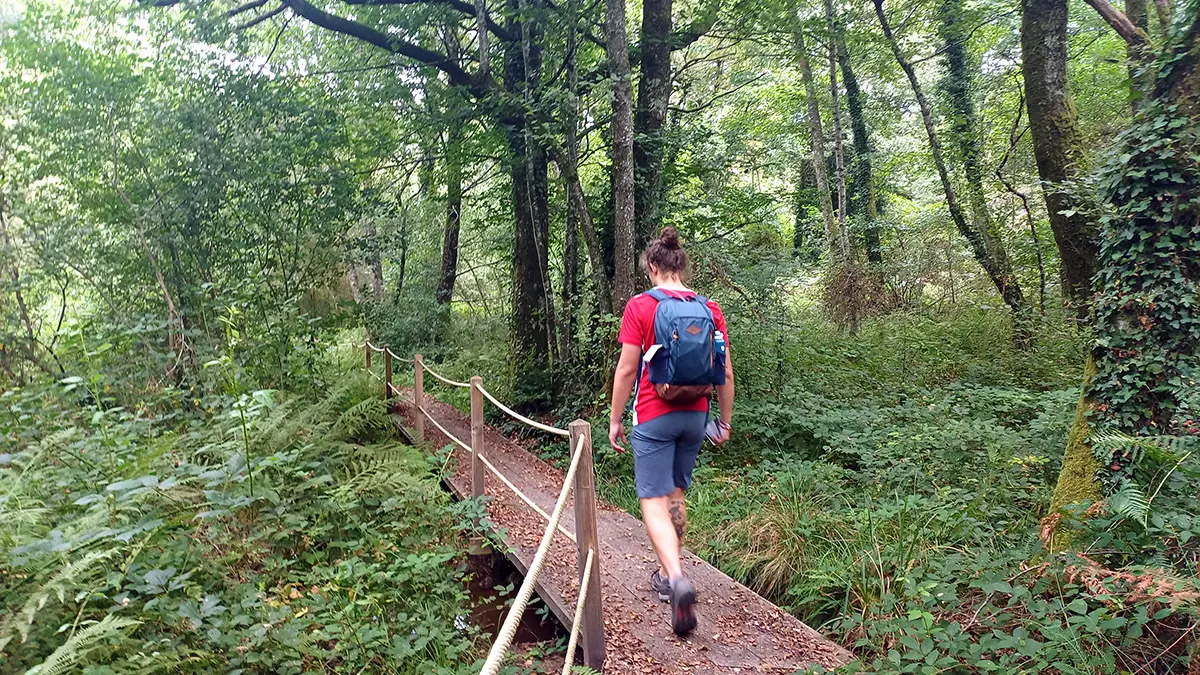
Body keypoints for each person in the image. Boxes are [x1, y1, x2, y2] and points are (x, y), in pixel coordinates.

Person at [608, 226, 735, 637]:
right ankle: (668, 576)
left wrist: (614, 418)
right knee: (677, 494)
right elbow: (725, 372)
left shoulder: (641, 306)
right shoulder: (709, 307)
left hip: (654, 414)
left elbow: (628, 369)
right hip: (695, 417)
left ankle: (677, 576)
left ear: (652, 267)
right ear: (681, 267)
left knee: (651, 499)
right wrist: (725, 421)